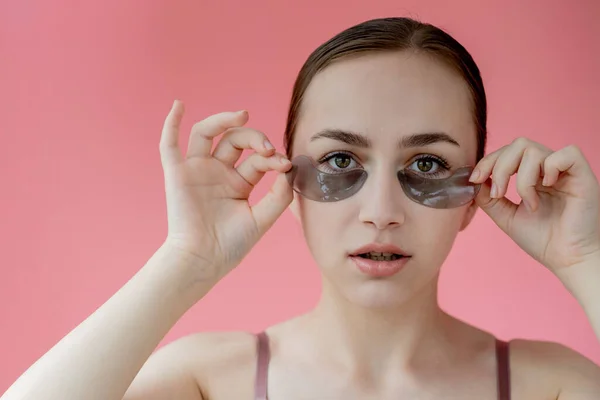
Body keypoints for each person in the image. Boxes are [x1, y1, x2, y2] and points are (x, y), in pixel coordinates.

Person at [3, 16, 600, 400]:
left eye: (427, 165)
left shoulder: (547, 386)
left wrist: (585, 259)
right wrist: (186, 261)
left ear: (476, 193)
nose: (381, 211)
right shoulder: (208, 382)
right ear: (286, 178)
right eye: (341, 161)